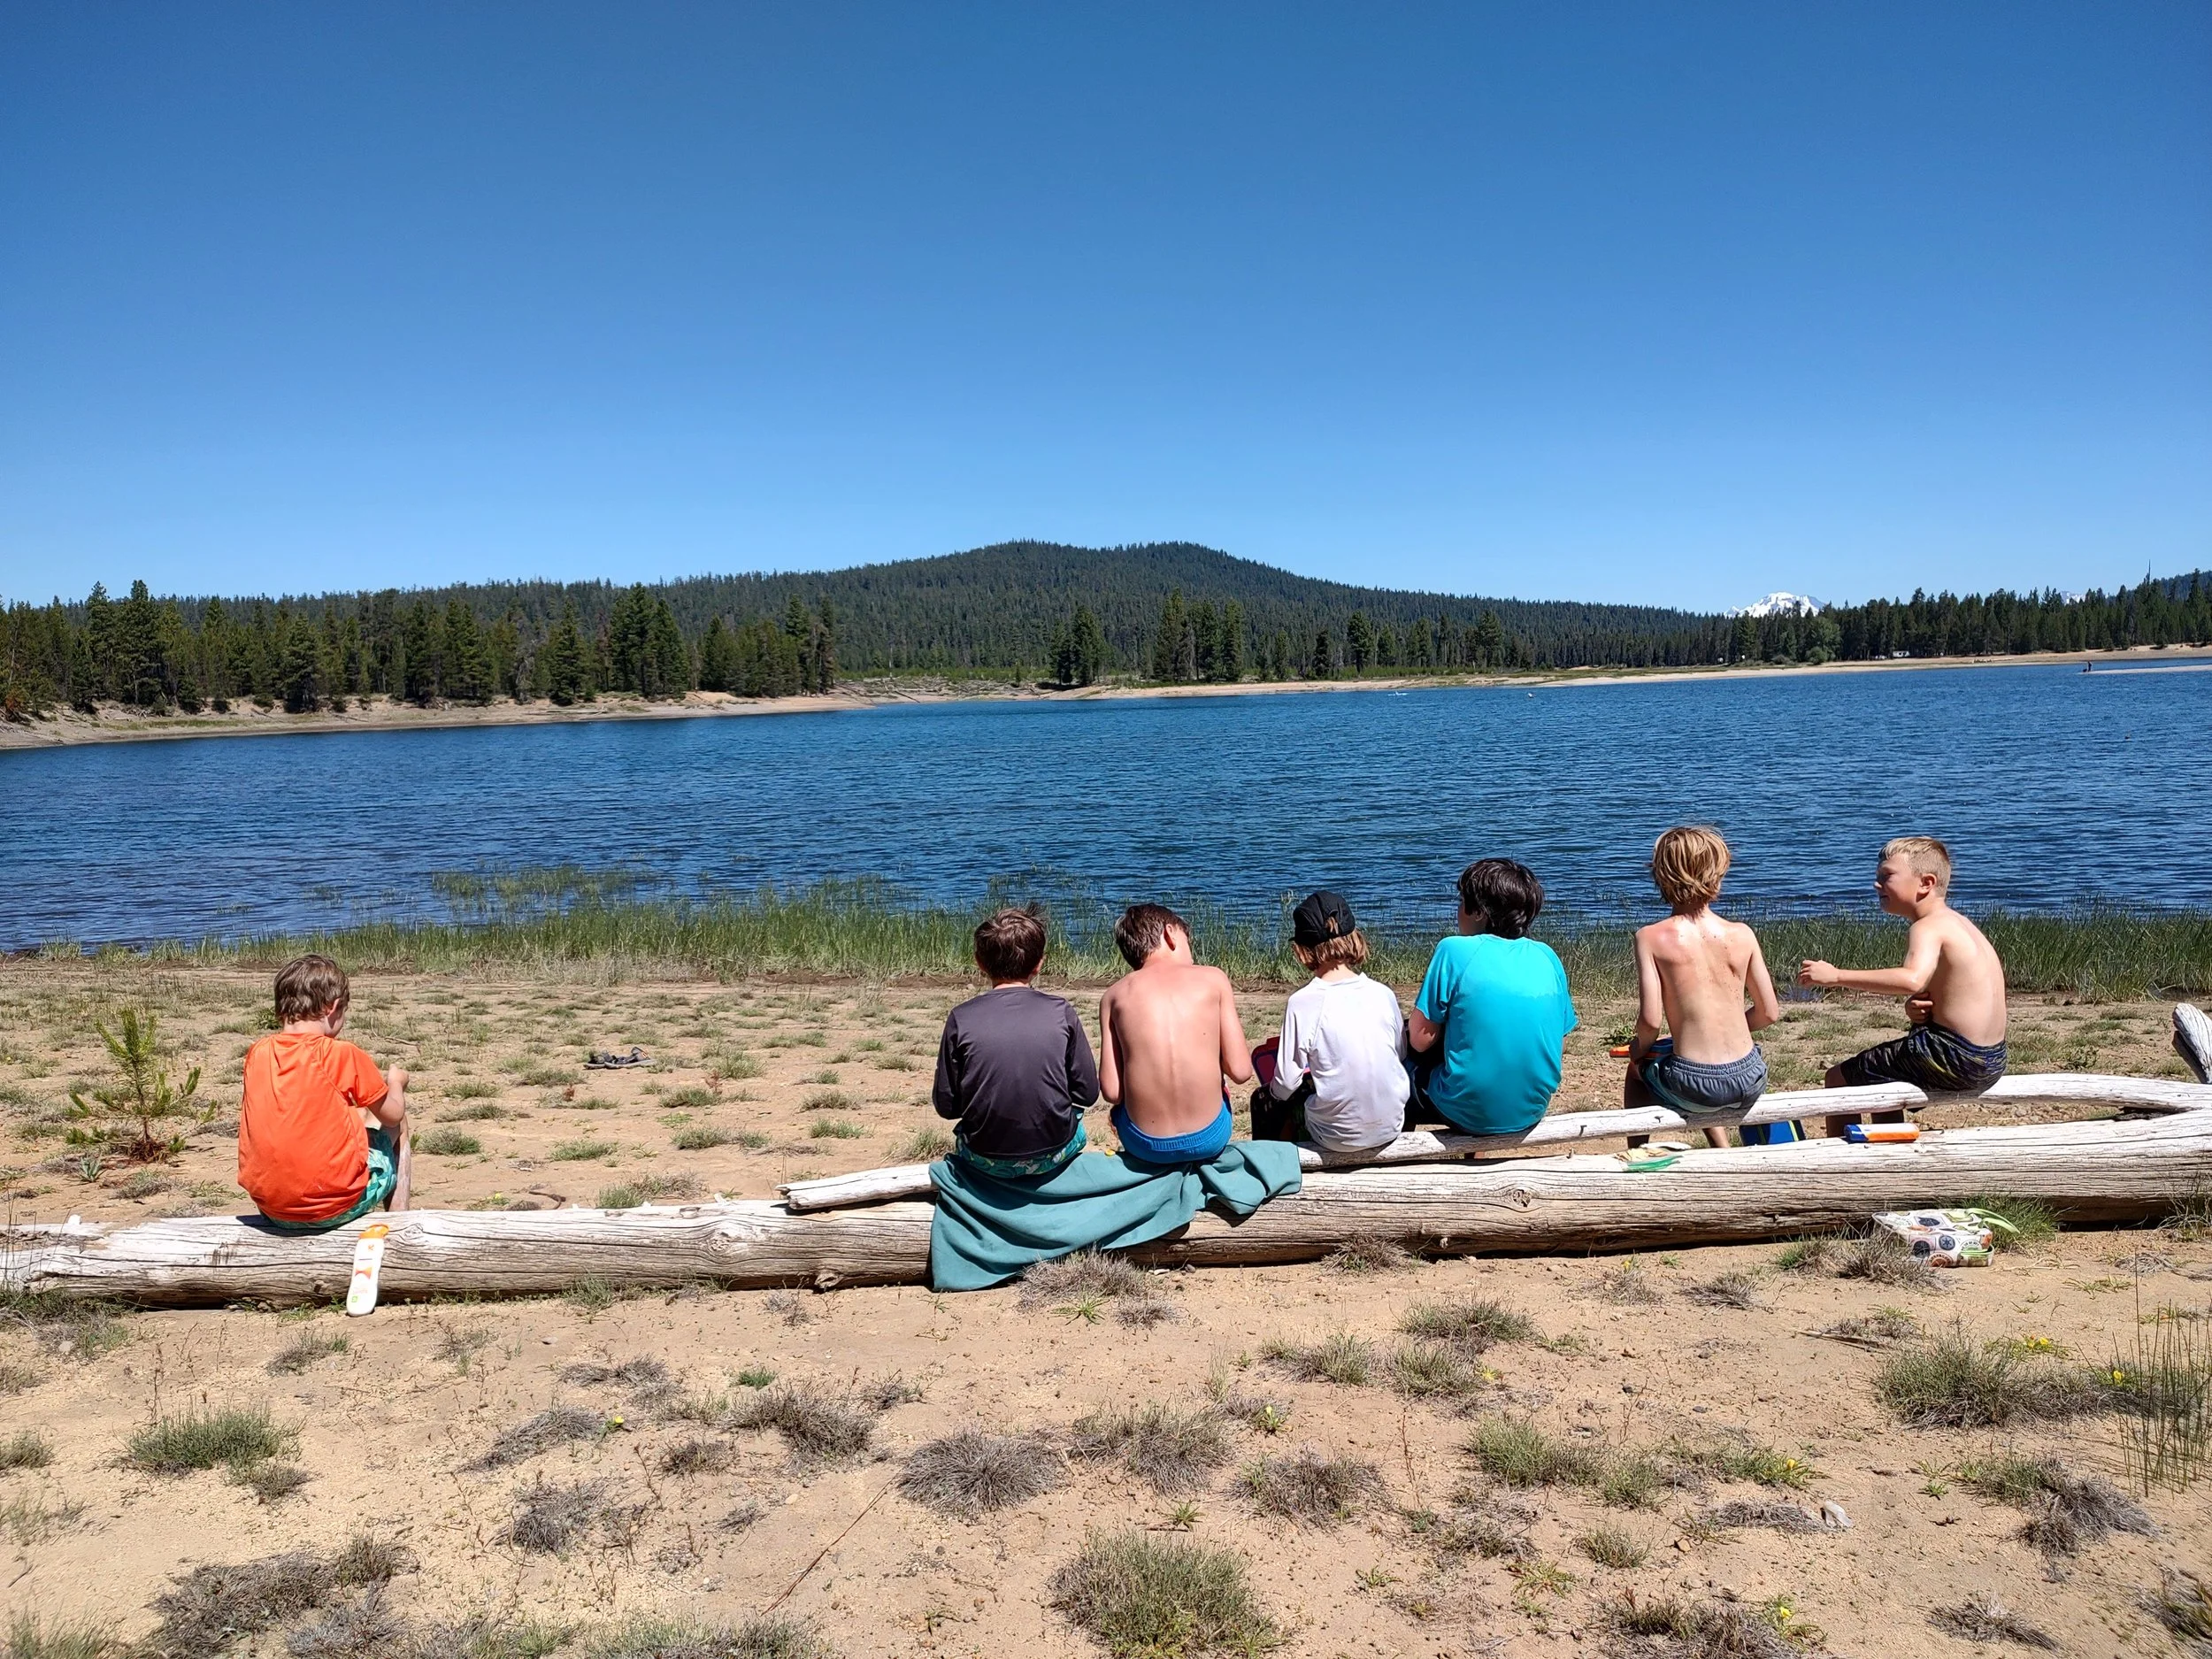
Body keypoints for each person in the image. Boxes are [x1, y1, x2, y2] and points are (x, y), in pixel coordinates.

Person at [1799, 835, 2008, 1136]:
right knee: (1882, 1072)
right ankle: (1892, 1147)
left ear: (1926, 883)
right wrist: (1920, 1012)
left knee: (1838, 1079)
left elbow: (1912, 978)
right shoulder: (1960, 924)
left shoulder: (1927, 927)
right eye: (1877, 877)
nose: (1877, 884)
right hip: (1992, 1058)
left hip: (1956, 1058)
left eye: (1887, 877)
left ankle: (1841, 1161)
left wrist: (1836, 976)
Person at [1624, 826, 1780, 1149]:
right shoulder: (1742, 933)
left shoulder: (1651, 938)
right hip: (1751, 1077)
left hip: (1693, 1086)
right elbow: (1769, 1013)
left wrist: (1638, 1049)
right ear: (1718, 875)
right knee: (1687, 1061)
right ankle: (1720, 1148)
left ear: (1661, 876)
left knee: (1636, 1072)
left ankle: (1638, 1152)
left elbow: (1651, 1022)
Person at [238, 954, 411, 1230]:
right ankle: (399, 1225)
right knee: (398, 1124)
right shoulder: (341, 1054)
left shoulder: (257, 1053)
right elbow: (392, 1114)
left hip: (271, 1208)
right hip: (332, 1209)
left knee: (358, 1116)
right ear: (333, 1008)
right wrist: (396, 1083)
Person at [1405, 859, 1577, 1138]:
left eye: (1462, 901)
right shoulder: (1548, 956)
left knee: (1399, 1068)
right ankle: (1478, 1155)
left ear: (1479, 912)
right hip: (1531, 1109)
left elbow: (1420, 1040)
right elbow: (1556, 1042)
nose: (1458, 909)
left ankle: (1394, 1159)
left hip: (1466, 1108)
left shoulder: (1453, 950)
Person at [931, 907, 1101, 1179]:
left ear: (980, 963)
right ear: (1039, 964)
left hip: (984, 1156)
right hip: (1052, 1152)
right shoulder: (1061, 1011)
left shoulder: (961, 1018)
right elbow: (1088, 1094)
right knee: (1076, 1124)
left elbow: (947, 1106)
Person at [1249, 891, 1409, 1152]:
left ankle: (1273, 1170)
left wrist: (1278, 1094)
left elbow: (1287, 1084)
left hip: (1336, 1137)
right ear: (1355, 937)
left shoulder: (1303, 1002)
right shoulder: (1383, 993)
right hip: (1391, 1126)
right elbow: (1399, 1054)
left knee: (1264, 1099)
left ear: (1301, 949)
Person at [1098, 902, 1255, 1166]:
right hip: (1210, 1138)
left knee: (1119, 1112)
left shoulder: (1113, 996)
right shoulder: (1213, 979)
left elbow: (1112, 1092)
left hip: (1145, 1145)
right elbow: (1240, 1072)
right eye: (1187, 939)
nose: (1191, 954)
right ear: (1170, 934)